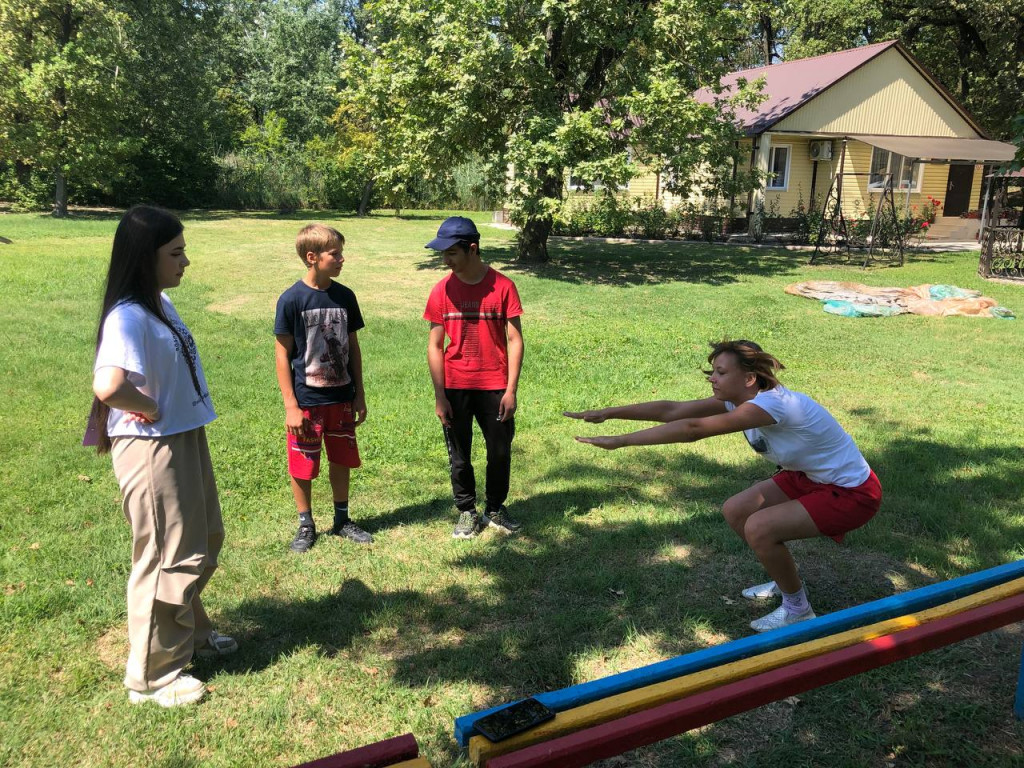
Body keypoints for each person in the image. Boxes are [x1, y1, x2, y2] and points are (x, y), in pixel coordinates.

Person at [565, 339, 881, 632]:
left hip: (852, 492)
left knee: (759, 528)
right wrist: (610, 413)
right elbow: (672, 411)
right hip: (807, 475)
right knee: (737, 511)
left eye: (721, 372)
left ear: (749, 379)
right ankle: (786, 580)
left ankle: (798, 608)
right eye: (713, 371)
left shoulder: (771, 405)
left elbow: (692, 429)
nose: (712, 378)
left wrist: (619, 442)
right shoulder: (738, 400)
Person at [89, 205, 235, 708]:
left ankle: (188, 633)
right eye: (175, 253)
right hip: (151, 447)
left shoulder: (160, 303)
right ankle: (151, 675)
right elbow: (108, 386)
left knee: (204, 538)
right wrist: (146, 403)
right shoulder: (128, 316)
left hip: (182, 435)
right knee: (165, 556)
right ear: (143, 258)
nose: (185, 261)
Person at [424, 217, 525, 538]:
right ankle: (467, 511)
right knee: (459, 455)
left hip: (495, 385)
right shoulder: (441, 291)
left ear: (473, 249)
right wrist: (440, 396)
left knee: (499, 451)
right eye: (443, 254)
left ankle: (495, 508)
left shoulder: (503, 287)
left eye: (452, 253)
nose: (446, 261)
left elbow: (515, 340)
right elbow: (435, 346)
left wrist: (511, 389)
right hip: (455, 387)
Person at [275, 224, 370, 553]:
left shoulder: (345, 297)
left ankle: (342, 519)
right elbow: (282, 353)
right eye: (335, 253)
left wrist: (359, 393)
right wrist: (291, 404)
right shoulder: (291, 300)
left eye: (341, 252)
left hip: (341, 397)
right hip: (307, 401)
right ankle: (306, 523)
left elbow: (353, 348)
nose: (342, 258)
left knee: (341, 458)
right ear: (312, 257)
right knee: (303, 463)